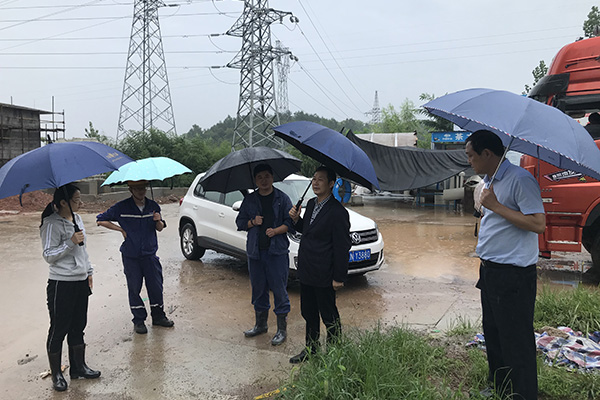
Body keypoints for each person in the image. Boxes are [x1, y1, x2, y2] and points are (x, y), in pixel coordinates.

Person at [465, 130, 545, 400]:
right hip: (491, 270)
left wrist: (497, 206)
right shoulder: (489, 181)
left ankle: (523, 394)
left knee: (516, 338)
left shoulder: (520, 180)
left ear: (487, 153)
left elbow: (538, 224)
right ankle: (500, 386)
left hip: (514, 275)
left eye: (471, 156)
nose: (469, 161)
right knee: (494, 332)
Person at [288, 166, 351, 364]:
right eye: (314, 179)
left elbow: (342, 246)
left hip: (325, 272)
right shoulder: (310, 204)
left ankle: (335, 354)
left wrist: (338, 277)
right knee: (308, 312)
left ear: (331, 184)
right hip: (307, 268)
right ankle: (311, 349)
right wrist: (296, 220)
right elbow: (307, 231)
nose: (315, 183)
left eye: (321, 179)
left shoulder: (338, 212)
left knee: (329, 315)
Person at [40, 184, 101, 392]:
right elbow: (48, 255)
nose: (80, 203)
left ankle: (78, 367)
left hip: (80, 281)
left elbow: (83, 250)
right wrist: (70, 242)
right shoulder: (51, 223)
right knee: (59, 328)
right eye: (76, 200)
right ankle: (56, 374)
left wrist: (89, 271)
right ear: (63, 202)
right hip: (61, 283)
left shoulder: (78, 219)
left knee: (78, 325)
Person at [96, 180, 174, 334]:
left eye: (143, 188)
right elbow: (100, 219)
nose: (141, 191)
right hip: (131, 256)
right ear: (130, 189)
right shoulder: (122, 207)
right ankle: (139, 320)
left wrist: (158, 220)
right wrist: (120, 230)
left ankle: (158, 316)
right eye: (137, 188)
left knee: (156, 286)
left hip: (150, 255)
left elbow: (160, 228)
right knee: (134, 288)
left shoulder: (153, 206)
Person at [235, 163, 294, 346]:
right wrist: (253, 222)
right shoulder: (250, 200)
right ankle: (260, 325)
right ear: (255, 180)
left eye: (267, 176)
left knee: (279, 290)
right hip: (256, 253)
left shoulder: (282, 199)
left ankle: (281, 329)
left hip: (277, 253)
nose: (264, 180)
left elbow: (290, 223)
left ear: (272, 177)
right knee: (258, 289)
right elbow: (240, 222)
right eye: (259, 177)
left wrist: (276, 231)